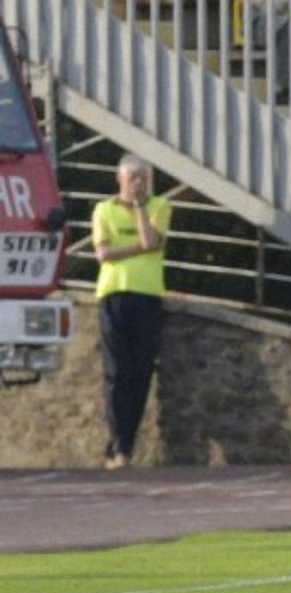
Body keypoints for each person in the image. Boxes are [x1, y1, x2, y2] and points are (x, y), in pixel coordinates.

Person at [91, 154, 170, 470]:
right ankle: (118, 445)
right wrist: (139, 248)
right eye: (132, 178)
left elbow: (152, 240)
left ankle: (124, 445)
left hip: (148, 294)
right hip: (113, 294)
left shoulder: (159, 206)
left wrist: (139, 207)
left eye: (143, 178)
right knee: (116, 372)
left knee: (140, 372)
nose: (138, 183)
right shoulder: (104, 209)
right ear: (119, 179)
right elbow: (103, 254)